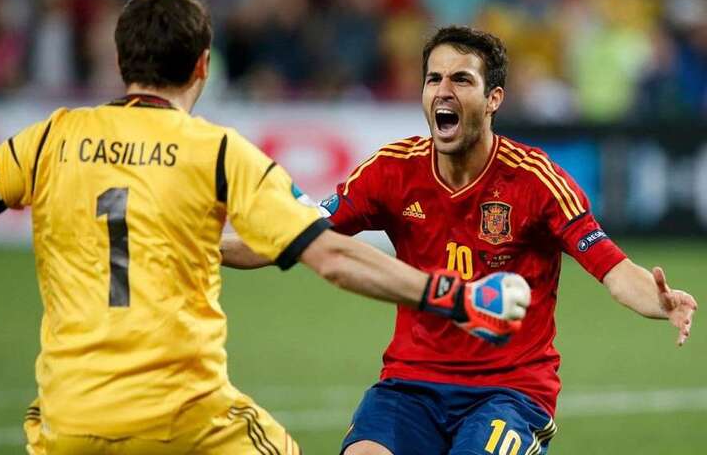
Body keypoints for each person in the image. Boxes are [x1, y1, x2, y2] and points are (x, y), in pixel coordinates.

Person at [0, 0, 533, 455]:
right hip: (186, 416)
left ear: (119, 57)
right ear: (203, 65)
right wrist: (459, 299)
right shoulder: (220, 153)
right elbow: (331, 255)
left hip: (67, 417)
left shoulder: (47, 138)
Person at [220, 26, 698, 455]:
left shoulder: (536, 181)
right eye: (434, 79)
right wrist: (205, 244)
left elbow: (612, 268)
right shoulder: (391, 170)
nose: (443, 91)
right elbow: (293, 235)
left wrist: (659, 301)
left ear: (493, 99)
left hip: (510, 393)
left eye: (461, 80)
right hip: (410, 385)